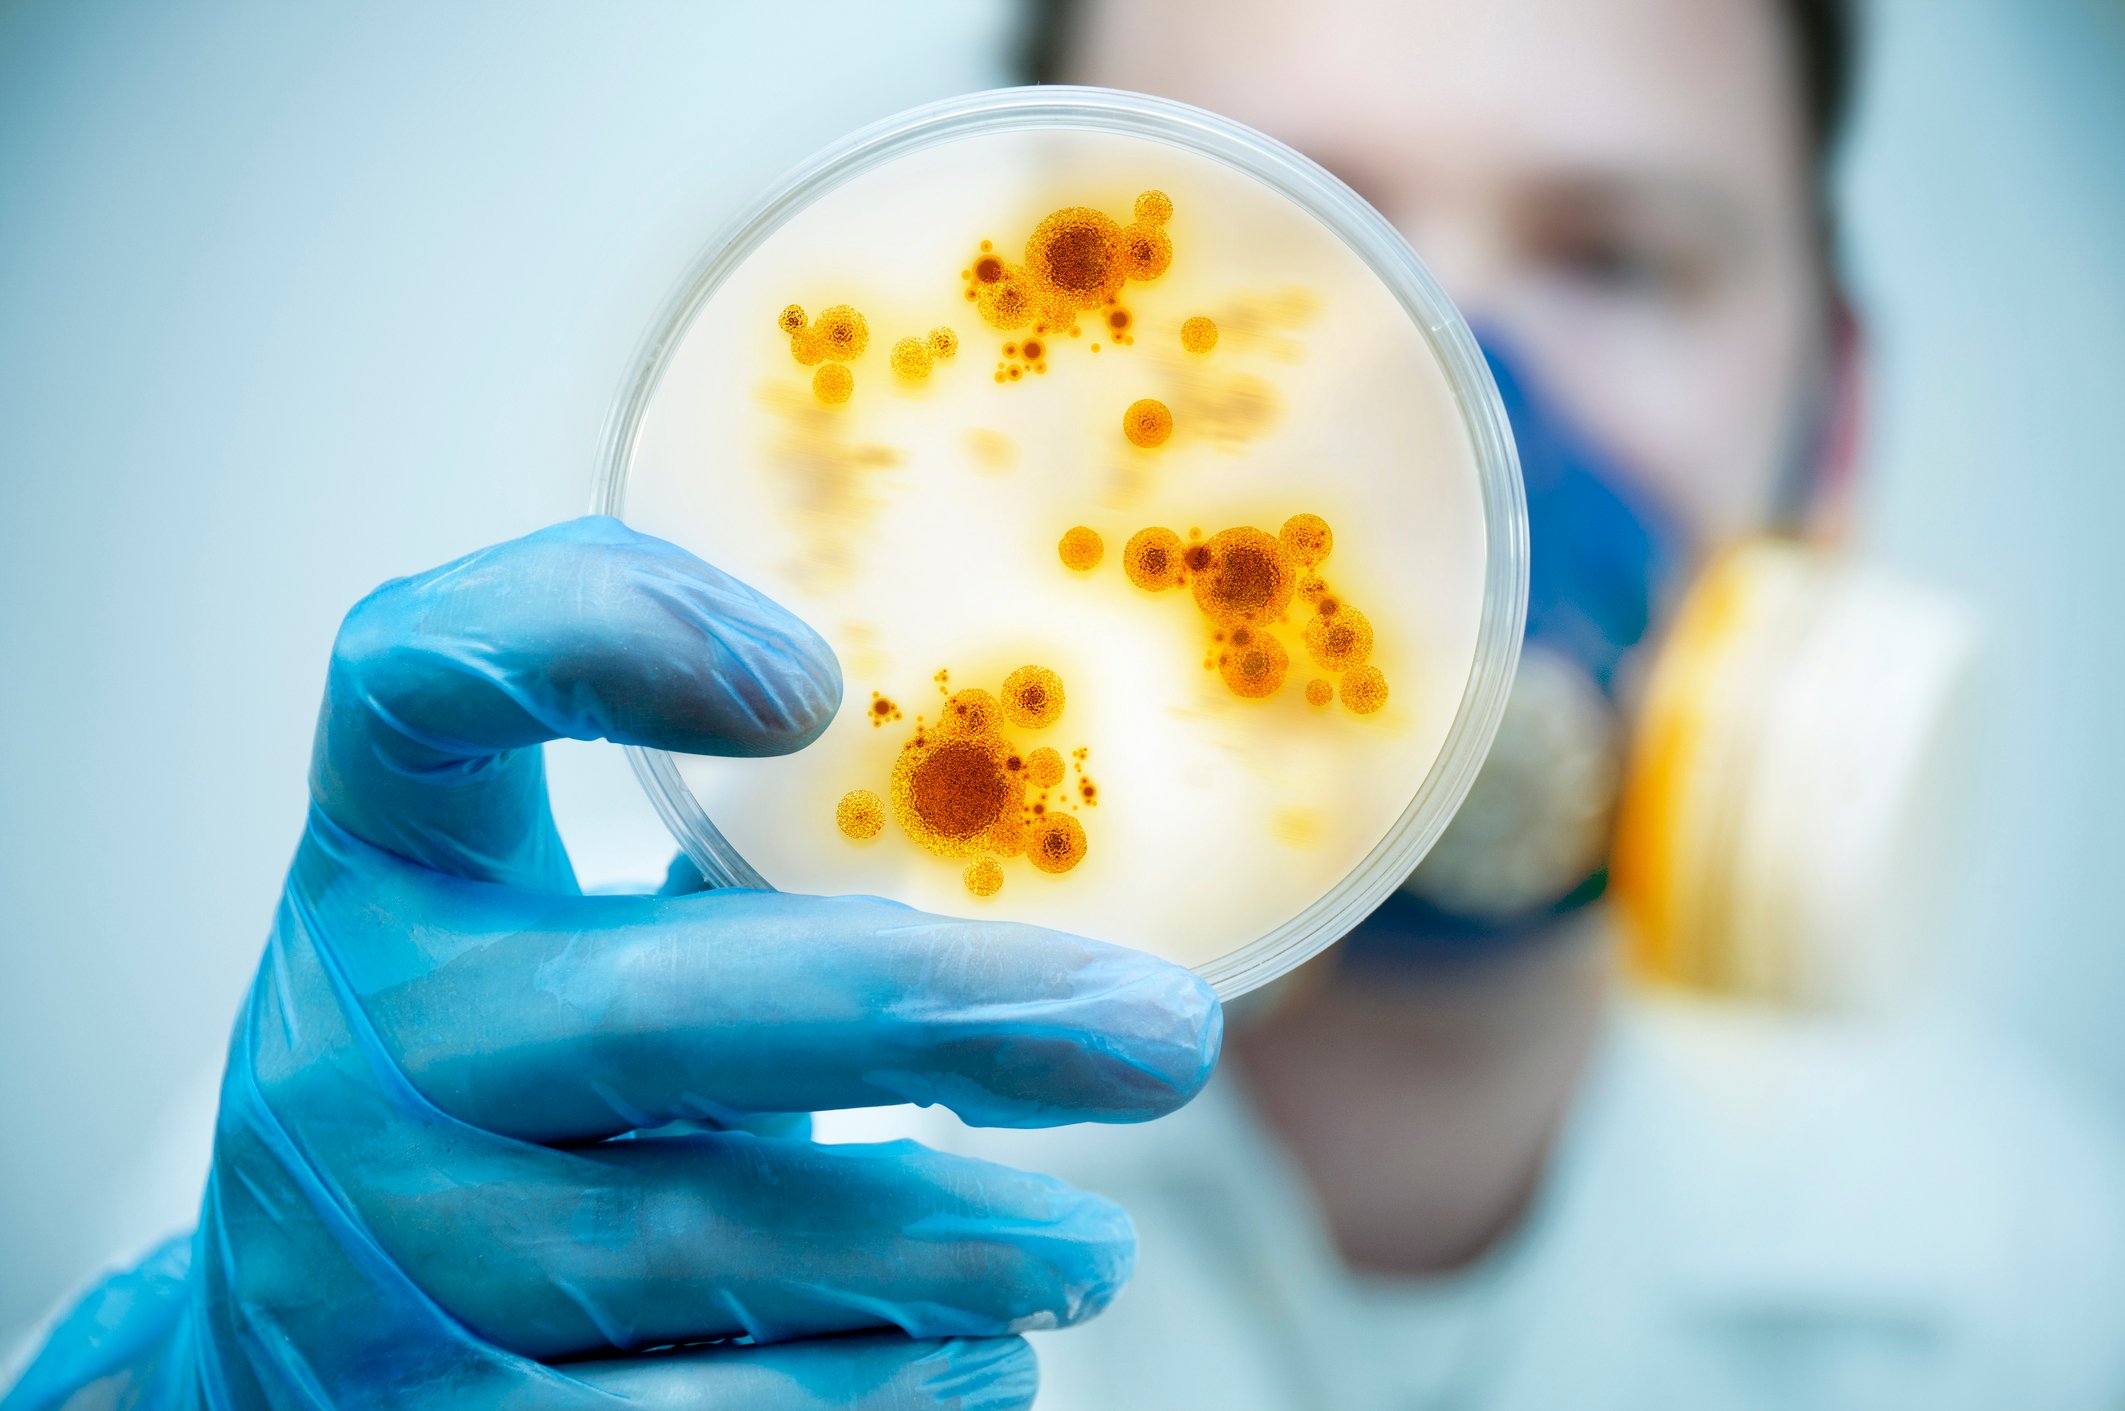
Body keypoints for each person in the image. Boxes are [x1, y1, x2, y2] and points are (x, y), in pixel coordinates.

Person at [8, 3, 2125, 1411]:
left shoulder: (2042, 1296)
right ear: (1020, 357)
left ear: (1833, 426)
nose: (1439, 405)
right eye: (1273, 242)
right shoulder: (506, 1171)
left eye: (1622, 257)